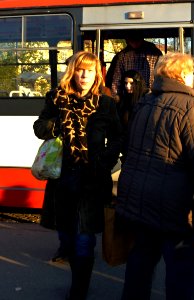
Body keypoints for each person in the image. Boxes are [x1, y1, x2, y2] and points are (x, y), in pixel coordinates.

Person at [116, 52, 194, 300]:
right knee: (180, 274)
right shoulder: (191, 108)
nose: (193, 77)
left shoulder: (144, 103)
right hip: (178, 210)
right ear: (181, 75)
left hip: (141, 203)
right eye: (190, 72)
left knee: (139, 268)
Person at [33, 51, 121, 300]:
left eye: (90, 71)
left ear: (97, 75)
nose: (84, 75)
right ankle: (74, 269)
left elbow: (118, 137)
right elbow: (39, 128)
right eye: (80, 69)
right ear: (72, 71)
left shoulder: (105, 103)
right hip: (62, 179)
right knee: (67, 238)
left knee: (84, 240)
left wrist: (105, 160)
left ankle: (78, 290)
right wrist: (58, 124)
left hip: (91, 180)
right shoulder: (56, 98)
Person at [108, 30, 163, 98]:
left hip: (149, 96)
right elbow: (116, 82)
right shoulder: (122, 56)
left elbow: (161, 77)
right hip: (130, 97)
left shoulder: (154, 53)